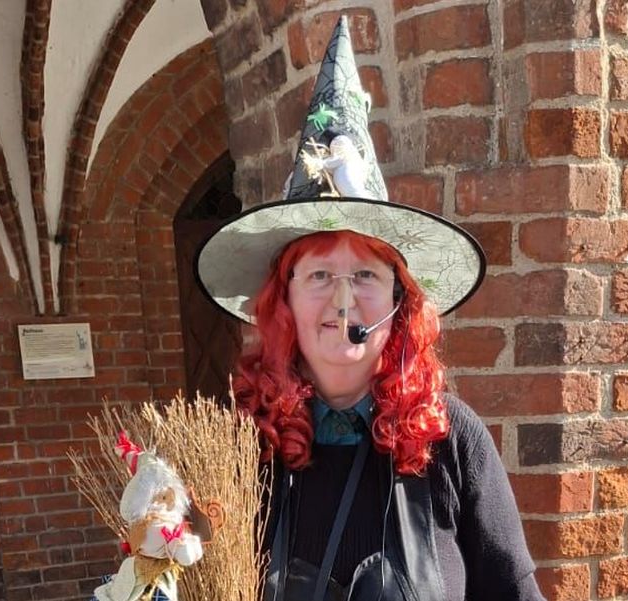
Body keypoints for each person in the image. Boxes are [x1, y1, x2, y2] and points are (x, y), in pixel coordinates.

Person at [194, 16, 544, 601]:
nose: (341, 298)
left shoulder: (451, 438)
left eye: (364, 275)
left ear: (399, 301)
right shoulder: (239, 445)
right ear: (283, 299)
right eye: (320, 275)